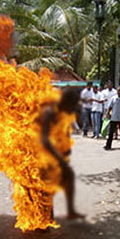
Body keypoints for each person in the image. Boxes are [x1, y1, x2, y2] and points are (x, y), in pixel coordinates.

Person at [40, 88, 84, 220]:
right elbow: (44, 140)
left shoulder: (64, 113)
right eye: (73, 105)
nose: (74, 108)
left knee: (68, 177)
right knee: (46, 186)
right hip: (45, 155)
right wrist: (59, 159)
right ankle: (43, 218)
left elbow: (65, 131)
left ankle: (70, 212)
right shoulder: (49, 113)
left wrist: (66, 148)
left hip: (59, 154)